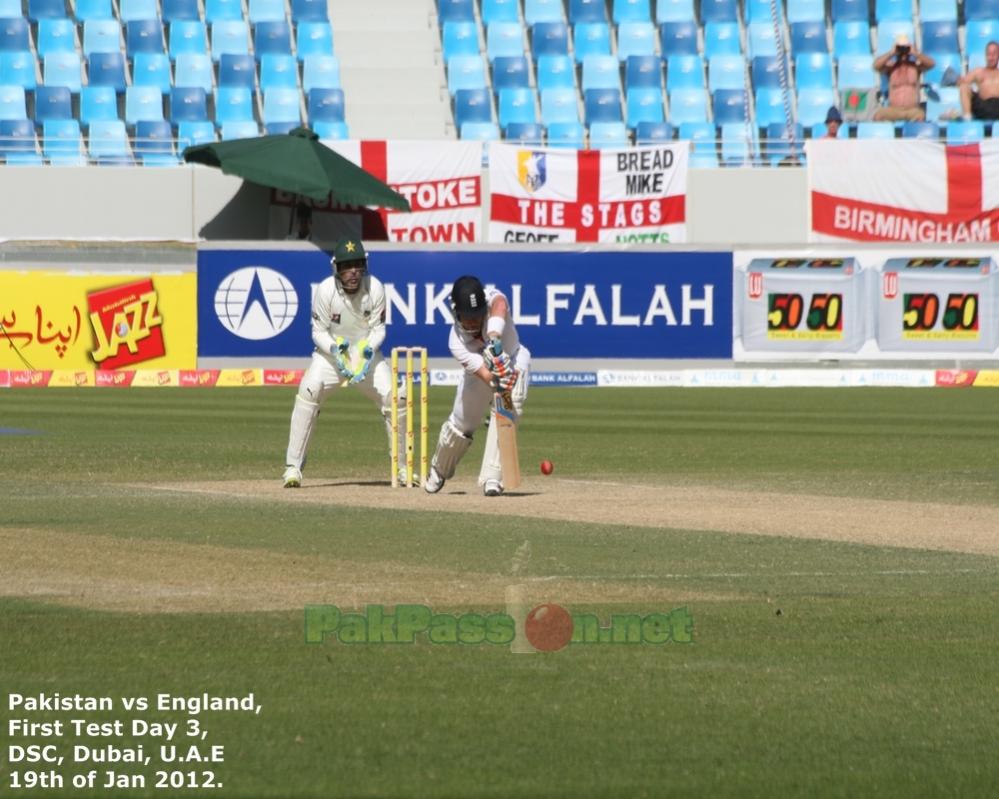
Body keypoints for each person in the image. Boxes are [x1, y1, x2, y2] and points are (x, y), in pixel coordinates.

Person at [282, 238, 407, 488]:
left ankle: (403, 468)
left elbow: (379, 329)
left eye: (357, 265)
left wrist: (368, 350)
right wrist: (335, 350)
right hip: (331, 357)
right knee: (309, 390)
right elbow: (317, 332)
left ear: (365, 266)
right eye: (346, 266)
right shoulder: (326, 290)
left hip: (366, 357)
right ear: (336, 268)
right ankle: (292, 468)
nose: (353, 272)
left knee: (397, 396)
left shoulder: (376, 288)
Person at [424, 275, 530, 497]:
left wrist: (495, 341)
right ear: (455, 312)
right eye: (467, 317)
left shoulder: (493, 302)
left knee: (511, 407)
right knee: (462, 425)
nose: (472, 322)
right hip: (483, 374)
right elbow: (485, 374)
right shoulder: (456, 342)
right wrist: (498, 381)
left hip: (514, 360)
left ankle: (493, 477)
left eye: (477, 316)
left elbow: (500, 303)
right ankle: (439, 468)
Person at [872, 34, 934, 122]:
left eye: (905, 48)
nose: (903, 51)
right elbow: (875, 66)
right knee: (878, 116)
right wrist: (891, 53)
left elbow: (931, 64)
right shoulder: (891, 67)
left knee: (920, 116)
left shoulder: (916, 67)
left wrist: (915, 53)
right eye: (900, 48)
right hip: (893, 109)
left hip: (912, 110)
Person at [960, 41, 999, 121]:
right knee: (964, 87)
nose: (991, 57)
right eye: (989, 54)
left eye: (994, 54)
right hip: (982, 106)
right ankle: (967, 119)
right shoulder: (978, 71)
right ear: (985, 55)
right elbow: (962, 82)